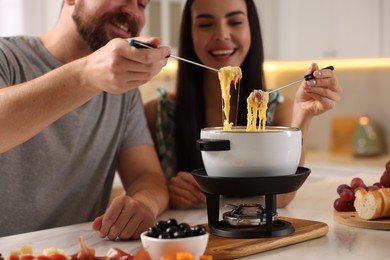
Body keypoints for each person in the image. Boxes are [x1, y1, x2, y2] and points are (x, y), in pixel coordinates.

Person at [144, 0, 342, 209]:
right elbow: (142, 188)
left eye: (235, 22)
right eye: (205, 24)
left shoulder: (279, 110)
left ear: (251, 29)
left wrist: (303, 114)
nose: (222, 35)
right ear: (189, 34)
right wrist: (168, 194)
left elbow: (281, 198)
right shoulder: (156, 114)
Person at [0, 0, 171, 239]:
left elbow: (147, 175)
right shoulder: (6, 57)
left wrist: (144, 203)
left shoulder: (125, 93)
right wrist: (87, 75)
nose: (132, 11)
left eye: (142, 4)